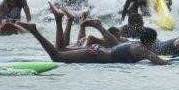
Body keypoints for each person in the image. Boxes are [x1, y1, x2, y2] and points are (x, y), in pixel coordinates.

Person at [12, 22, 168, 65]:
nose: (154, 45)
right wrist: (172, 65)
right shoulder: (143, 50)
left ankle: (97, 25)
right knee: (57, 56)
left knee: (61, 53)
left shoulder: (135, 44)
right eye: (153, 42)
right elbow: (157, 60)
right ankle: (34, 31)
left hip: (97, 51)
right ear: (149, 41)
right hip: (95, 53)